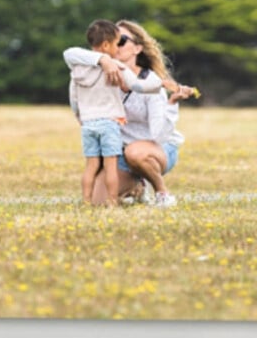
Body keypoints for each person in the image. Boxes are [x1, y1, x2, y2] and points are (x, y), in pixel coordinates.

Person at [65, 19, 195, 207]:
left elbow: (159, 135)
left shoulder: (150, 82)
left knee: (136, 153)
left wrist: (172, 103)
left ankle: (162, 192)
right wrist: (103, 59)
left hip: (157, 149)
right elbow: (70, 54)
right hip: (120, 151)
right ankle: (137, 186)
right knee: (98, 202)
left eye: (122, 40)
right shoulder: (100, 71)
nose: (115, 44)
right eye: (111, 38)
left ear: (137, 49)